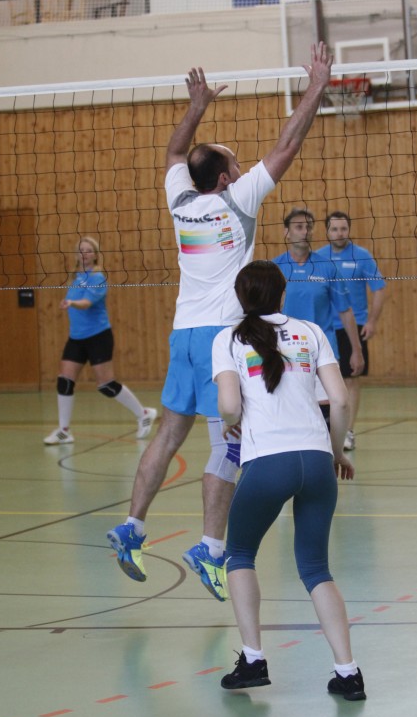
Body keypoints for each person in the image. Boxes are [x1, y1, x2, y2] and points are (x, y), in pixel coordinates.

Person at [106, 44, 334, 597]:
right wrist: (316, 87)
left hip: (182, 332)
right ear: (228, 177)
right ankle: (210, 548)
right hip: (217, 341)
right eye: (236, 160)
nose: (242, 163)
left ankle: (132, 525)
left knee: (169, 432)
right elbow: (288, 144)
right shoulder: (239, 200)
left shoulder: (181, 202)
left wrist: (197, 106)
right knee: (229, 443)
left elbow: (174, 151)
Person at [212, 261, 366, 701]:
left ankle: (253, 660)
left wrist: (233, 418)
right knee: (316, 568)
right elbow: (339, 400)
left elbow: (228, 406)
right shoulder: (311, 332)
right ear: (283, 294)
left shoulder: (229, 339)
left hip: (268, 462)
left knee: (240, 554)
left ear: (241, 297)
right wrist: (335, 452)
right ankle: (348, 672)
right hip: (317, 461)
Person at [44, 236, 156, 445]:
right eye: (81, 250)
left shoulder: (98, 278)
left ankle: (143, 413)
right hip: (76, 338)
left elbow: (86, 303)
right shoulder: (76, 277)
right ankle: (64, 431)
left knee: (106, 385)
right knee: (64, 380)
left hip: (98, 337)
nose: (84, 254)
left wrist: (71, 303)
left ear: (95, 255)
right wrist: (70, 302)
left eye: (88, 250)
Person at [271, 209, 365, 420]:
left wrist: (356, 350)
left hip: (322, 350)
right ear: (286, 232)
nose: (305, 231)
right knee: (291, 411)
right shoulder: (275, 268)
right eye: (299, 227)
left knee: (328, 411)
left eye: (309, 227)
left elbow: (345, 310)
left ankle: (335, 441)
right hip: (285, 351)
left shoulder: (327, 267)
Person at [316, 210, 386, 450]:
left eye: (343, 229)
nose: (339, 233)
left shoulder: (361, 256)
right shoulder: (318, 258)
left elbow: (379, 289)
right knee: (321, 380)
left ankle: (348, 431)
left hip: (351, 327)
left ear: (349, 230)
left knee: (350, 379)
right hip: (323, 329)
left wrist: (372, 321)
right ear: (327, 231)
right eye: (334, 229)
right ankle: (324, 429)